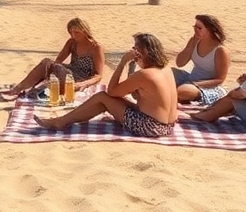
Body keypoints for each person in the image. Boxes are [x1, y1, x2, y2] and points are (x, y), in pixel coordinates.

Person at [34, 32, 178, 137]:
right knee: (107, 101)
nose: (133, 51)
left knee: (102, 97)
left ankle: (61, 121)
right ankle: (64, 120)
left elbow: (112, 91)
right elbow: (136, 94)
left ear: (143, 52)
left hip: (151, 127)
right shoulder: (166, 69)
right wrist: (133, 65)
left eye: (135, 48)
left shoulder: (145, 75)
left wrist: (122, 63)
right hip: (168, 126)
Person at [1, 18, 107, 98]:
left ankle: (42, 87)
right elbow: (58, 61)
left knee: (60, 71)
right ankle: (18, 89)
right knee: (47, 62)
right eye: (71, 32)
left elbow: (98, 76)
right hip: (69, 72)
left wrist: (80, 84)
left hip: (83, 79)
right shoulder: (72, 42)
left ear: (85, 31)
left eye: (77, 32)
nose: (73, 35)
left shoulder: (96, 48)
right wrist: (50, 70)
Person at [172, 14, 230, 104]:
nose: (196, 30)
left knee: (182, 92)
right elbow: (180, 63)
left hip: (208, 87)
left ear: (210, 30)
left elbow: (220, 80)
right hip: (191, 78)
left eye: (199, 28)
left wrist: (195, 84)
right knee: (167, 72)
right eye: (195, 27)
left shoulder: (220, 50)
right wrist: (191, 45)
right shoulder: (194, 41)